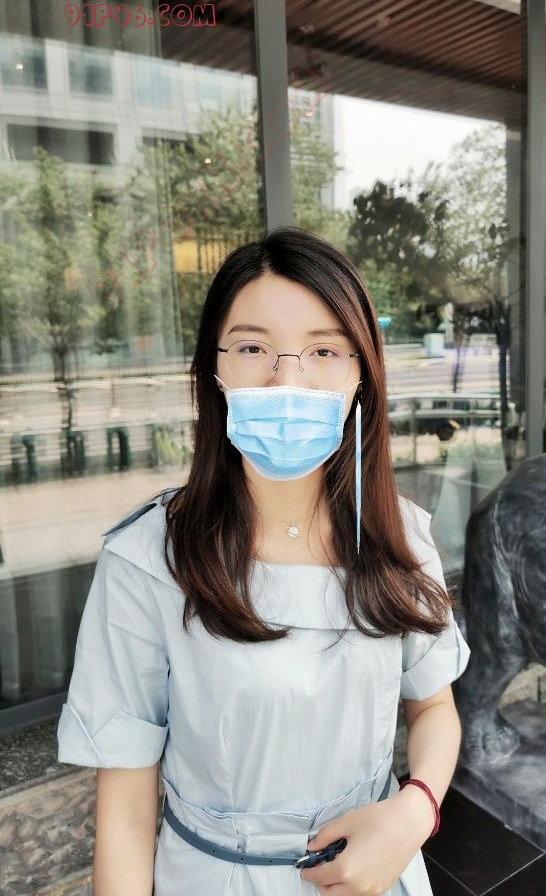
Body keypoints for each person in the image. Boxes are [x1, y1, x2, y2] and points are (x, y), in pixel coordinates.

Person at [57, 226, 470, 895]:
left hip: (378, 875)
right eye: (253, 348)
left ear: (361, 375)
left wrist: (414, 811)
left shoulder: (402, 540)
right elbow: (127, 808)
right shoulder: (147, 561)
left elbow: (434, 708)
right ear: (215, 370)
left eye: (323, 350)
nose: (287, 380)